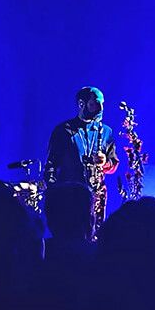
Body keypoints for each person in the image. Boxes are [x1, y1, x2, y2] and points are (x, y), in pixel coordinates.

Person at [44, 86, 120, 227]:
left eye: (102, 103)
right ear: (81, 104)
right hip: (69, 194)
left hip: (96, 196)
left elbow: (114, 163)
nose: (101, 108)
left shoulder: (106, 132)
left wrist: (104, 163)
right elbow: (51, 164)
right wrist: (53, 192)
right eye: (95, 103)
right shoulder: (63, 130)